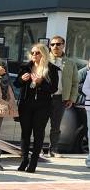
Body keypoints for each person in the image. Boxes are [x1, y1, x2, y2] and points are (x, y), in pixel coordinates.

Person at [14, 44, 60, 172]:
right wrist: (22, 79)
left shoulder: (51, 69)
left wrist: (41, 82)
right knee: (25, 133)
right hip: (26, 105)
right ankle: (24, 160)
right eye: (32, 52)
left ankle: (33, 162)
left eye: (37, 53)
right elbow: (16, 84)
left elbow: (54, 88)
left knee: (38, 133)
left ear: (43, 54)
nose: (34, 55)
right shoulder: (25, 67)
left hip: (43, 106)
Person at [47, 36, 80, 157]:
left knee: (56, 126)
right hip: (44, 98)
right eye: (52, 44)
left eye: (58, 44)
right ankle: (38, 150)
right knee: (39, 125)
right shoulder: (44, 60)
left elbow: (75, 83)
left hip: (60, 98)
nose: (55, 46)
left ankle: (53, 150)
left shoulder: (70, 63)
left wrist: (71, 98)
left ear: (63, 45)